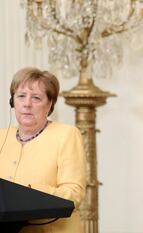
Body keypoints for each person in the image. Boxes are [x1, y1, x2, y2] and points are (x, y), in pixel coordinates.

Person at [0, 67, 86, 233]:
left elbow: (74, 194)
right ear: (13, 102)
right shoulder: (1, 136)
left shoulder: (66, 135)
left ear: (50, 104)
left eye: (36, 98)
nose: (27, 104)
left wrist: (31, 193)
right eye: (21, 96)